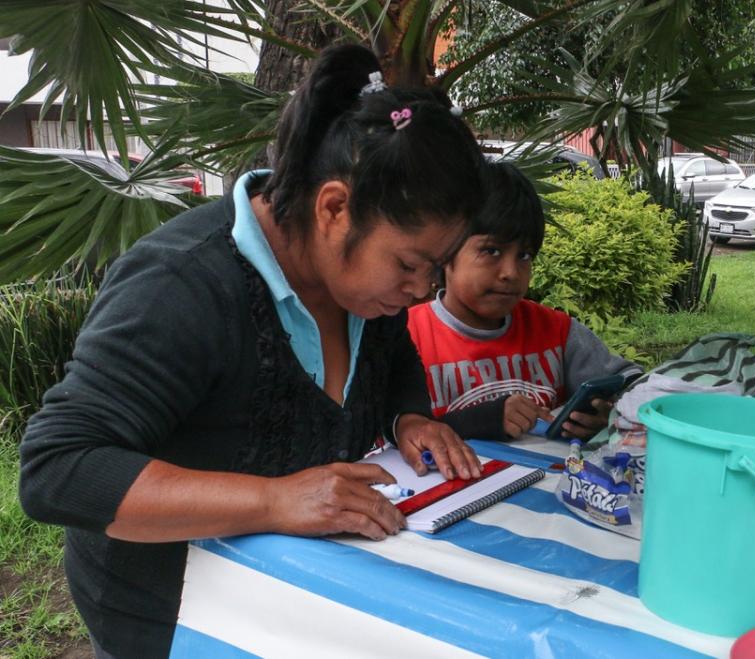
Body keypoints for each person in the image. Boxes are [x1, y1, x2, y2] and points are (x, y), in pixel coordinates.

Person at [18, 44, 487, 658]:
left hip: (291, 602)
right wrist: (275, 499)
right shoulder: (180, 285)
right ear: (334, 209)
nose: (423, 291)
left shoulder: (363, 289)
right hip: (167, 613)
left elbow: (393, 360)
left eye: (434, 269)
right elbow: (58, 471)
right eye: (409, 264)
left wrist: (410, 416)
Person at [406, 162, 642, 441]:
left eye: (525, 255)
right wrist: (480, 421)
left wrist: (608, 415)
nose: (511, 272)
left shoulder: (557, 332)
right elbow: (392, 437)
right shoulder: (407, 337)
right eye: (491, 250)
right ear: (444, 253)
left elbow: (635, 386)